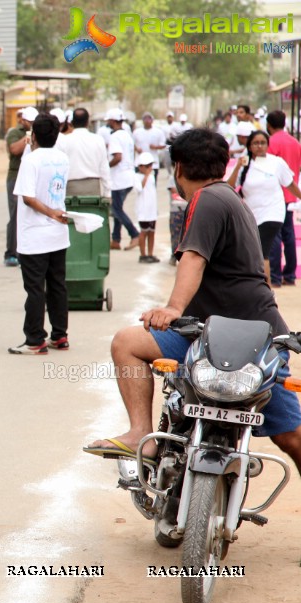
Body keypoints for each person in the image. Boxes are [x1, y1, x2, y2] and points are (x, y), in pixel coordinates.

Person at [83, 128, 301, 477]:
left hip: (239, 343)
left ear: (179, 167)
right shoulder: (231, 198)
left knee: (126, 343)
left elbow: (193, 258)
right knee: (291, 437)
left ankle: (142, 432)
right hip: (244, 335)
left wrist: (172, 309)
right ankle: (158, 440)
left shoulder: (206, 199)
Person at [8, 113, 70, 355]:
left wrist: (50, 212)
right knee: (57, 285)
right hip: (57, 234)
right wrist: (55, 213)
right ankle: (60, 335)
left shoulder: (31, 160)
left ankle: (35, 339)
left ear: (32, 136)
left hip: (34, 235)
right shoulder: (63, 159)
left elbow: (27, 197)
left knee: (35, 288)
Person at [226, 129, 301, 284]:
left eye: (263, 143)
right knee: (252, 251)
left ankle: (266, 289)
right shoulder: (245, 164)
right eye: (255, 143)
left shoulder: (276, 163)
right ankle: (256, 285)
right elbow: (230, 186)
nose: (259, 146)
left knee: (263, 250)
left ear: (268, 145)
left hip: (273, 212)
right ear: (250, 145)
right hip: (252, 214)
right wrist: (238, 167)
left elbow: (290, 185)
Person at [267, 110, 301, 286]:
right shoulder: (295, 142)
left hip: (275, 196)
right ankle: (290, 275)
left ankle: (275, 276)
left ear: (269, 126)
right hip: (291, 194)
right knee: (289, 235)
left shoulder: (271, 142)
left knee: (275, 235)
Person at [3, 107, 37, 266]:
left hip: (33, 176)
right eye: (28, 121)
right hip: (16, 177)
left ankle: (28, 251)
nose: (30, 124)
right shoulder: (15, 133)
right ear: (22, 120)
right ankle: (11, 253)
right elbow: (14, 150)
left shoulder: (40, 132)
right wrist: (29, 136)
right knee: (16, 215)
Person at [55, 107, 111, 198]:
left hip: (70, 188)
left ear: (72, 122)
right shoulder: (98, 140)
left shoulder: (64, 141)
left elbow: (58, 167)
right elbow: (104, 167)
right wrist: (107, 192)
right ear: (87, 122)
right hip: (93, 188)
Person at [105, 108, 138, 250]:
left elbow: (118, 157)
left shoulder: (115, 137)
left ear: (112, 121)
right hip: (129, 177)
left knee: (116, 210)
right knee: (118, 208)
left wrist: (106, 167)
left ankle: (134, 234)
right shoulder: (127, 135)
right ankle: (116, 240)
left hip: (119, 179)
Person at [132, 152, 159, 263]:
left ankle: (150, 254)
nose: (149, 168)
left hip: (152, 209)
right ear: (140, 166)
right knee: (144, 232)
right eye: (147, 166)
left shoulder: (152, 177)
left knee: (152, 232)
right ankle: (143, 255)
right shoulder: (136, 177)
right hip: (143, 210)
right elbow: (139, 189)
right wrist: (146, 175)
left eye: (150, 166)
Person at [132, 113, 165, 181]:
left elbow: (163, 145)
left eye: (149, 119)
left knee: (151, 183)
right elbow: (131, 144)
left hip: (153, 163)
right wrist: (136, 149)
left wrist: (155, 147)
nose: (147, 120)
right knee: (139, 184)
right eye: (145, 119)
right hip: (139, 163)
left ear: (152, 120)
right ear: (143, 121)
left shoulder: (158, 132)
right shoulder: (136, 132)